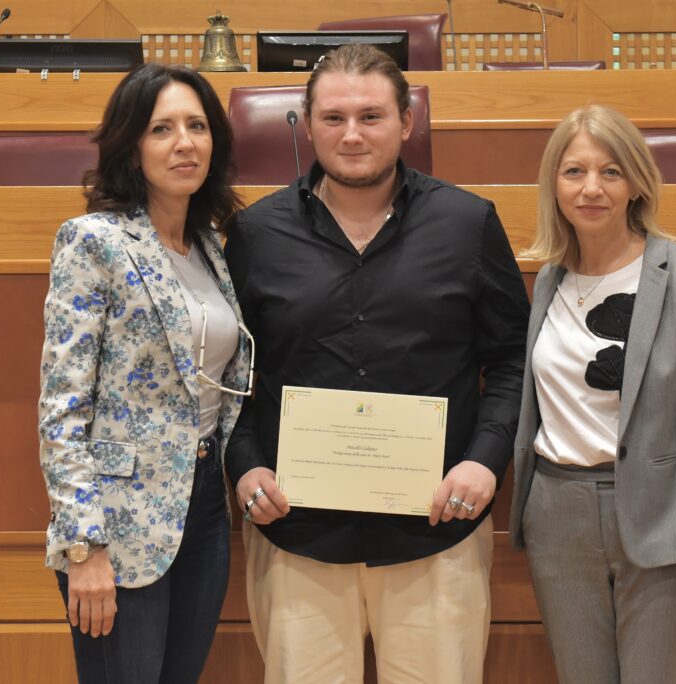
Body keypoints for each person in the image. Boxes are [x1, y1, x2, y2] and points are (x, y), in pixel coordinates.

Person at [223, 43, 530, 683]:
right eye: (333, 118)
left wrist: (485, 459)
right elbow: (233, 373)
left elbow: (510, 360)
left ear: (406, 123)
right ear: (307, 125)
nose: (352, 134)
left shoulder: (467, 223)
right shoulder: (257, 233)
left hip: (434, 532)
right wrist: (246, 463)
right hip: (296, 534)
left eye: (371, 116)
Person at [508, 104, 676, 683]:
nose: (592, 188)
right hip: (557, 515)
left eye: (611, 172)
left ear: (637, 181)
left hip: (659, 516)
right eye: (574, 172)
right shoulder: (550, 279)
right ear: (554, 184)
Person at [37, 63, 252, 683]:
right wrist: (84, 548)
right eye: (162, 129)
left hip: (204, 500)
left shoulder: (211, 245)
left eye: (197, 126)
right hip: (116, 518)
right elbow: (62, 407)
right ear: (132, 146)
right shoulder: (94, 241)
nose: (185, 143)